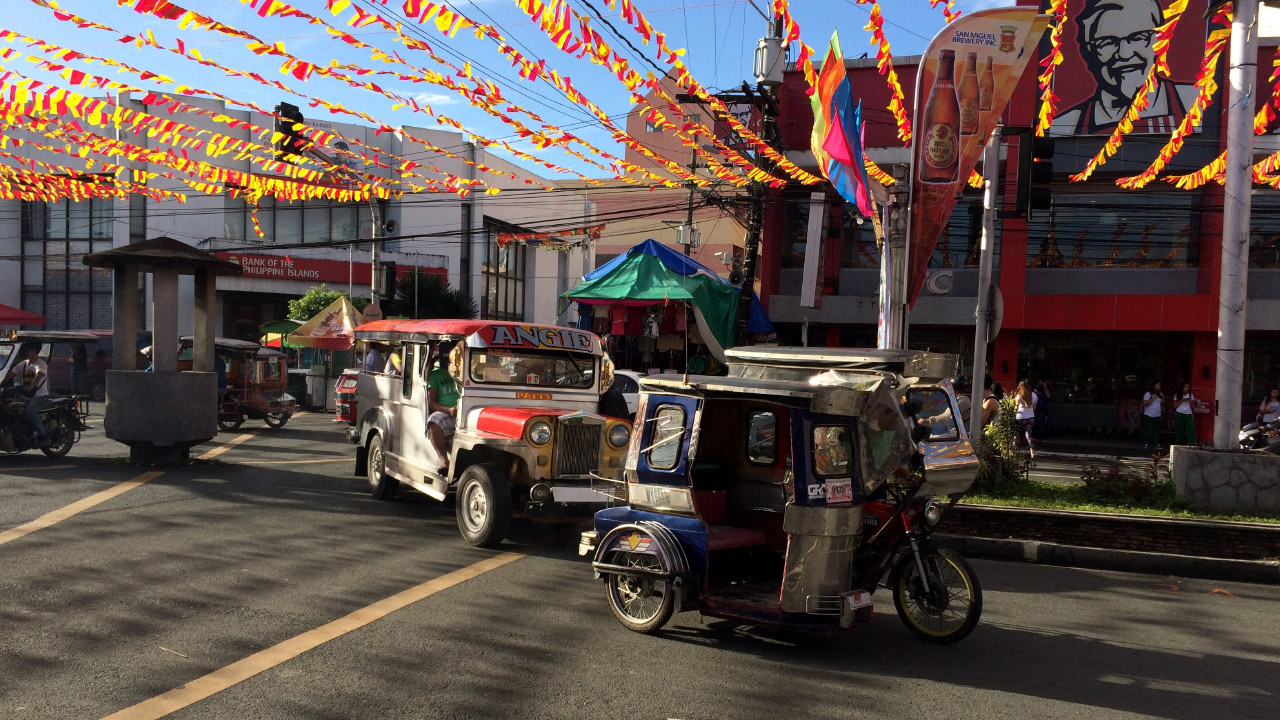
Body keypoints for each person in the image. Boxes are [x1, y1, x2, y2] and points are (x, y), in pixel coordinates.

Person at [1050, 0, 1196, 137]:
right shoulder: (1064, 126)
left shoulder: (1195, 102)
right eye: (1107, 42)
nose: (1124, 54)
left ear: (1160, 41)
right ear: (1088, 52)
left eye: (1139, 37)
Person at [2, 342, 51, 446]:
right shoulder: (24, 364)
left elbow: (39, 375)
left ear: (33, 351)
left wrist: (32, 385)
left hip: (40, 396)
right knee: (10, 407)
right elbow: (11, 373)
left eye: (27, 350)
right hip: (27, 396)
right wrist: (1, 382)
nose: (25, 352)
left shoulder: (41, 364)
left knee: (30, 410)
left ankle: (43, 436)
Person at [426, 343, 459, 476]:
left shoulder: (465, 373)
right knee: (434, 420)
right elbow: (431, 402)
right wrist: (448, 410)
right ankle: (444, 461)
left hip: (467, 413)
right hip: (447, 414)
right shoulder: (435, 375)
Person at [1013, 379, 1038, 460]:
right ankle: (1032, 450)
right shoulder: (1034, 395)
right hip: (1030, 418)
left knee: (1016, 435)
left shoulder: (1018, 396)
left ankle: (1013, 451)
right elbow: (1034, 408)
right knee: (1028, 435)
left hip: (1020, 417)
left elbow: (1015, 409)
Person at [1173, 381, 1197, 446]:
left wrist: (1192, 402)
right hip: (1179, 412)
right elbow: (1175, 406)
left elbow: (1192, 406)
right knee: (1179, 428)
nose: (1187, 389)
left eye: (1188, 387)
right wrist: (1182, 400)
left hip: (1188, 413)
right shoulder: (1177, 395)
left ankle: (1192, 443)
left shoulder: (1190, 395)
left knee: (1190, 428)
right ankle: (1178, 443)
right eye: (1185, 387)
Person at [1141, 380, 1163, 451]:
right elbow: (1144, 404)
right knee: (1147, 429)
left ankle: (1156, 443)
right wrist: (1152, 399)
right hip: (1149, 414)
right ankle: (1145, 443)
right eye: (1158, 385)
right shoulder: (1148, 393)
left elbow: (1162, 403)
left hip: (1158, 414)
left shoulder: (1159, 393)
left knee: (1156, 430)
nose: (1159, 387)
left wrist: (1163, 397)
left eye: (1160, 385)